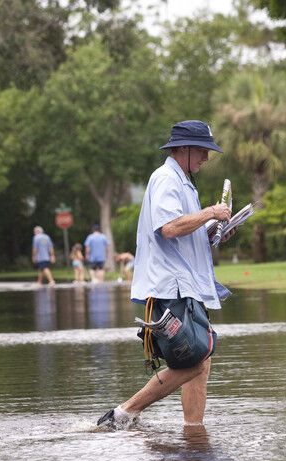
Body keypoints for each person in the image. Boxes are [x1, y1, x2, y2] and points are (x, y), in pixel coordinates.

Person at [97, 119, 235, 430]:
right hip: (170, 287)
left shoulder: (183, 180)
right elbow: (169, 228)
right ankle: (124, 412)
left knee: (201, 358)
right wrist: (212, 212)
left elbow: (183, 227)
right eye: (202, 151)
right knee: (195, 359)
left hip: (184, 284)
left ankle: (193, 430)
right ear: (183, 149)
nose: (206, 157)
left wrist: (215, 231)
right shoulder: (166, 179)